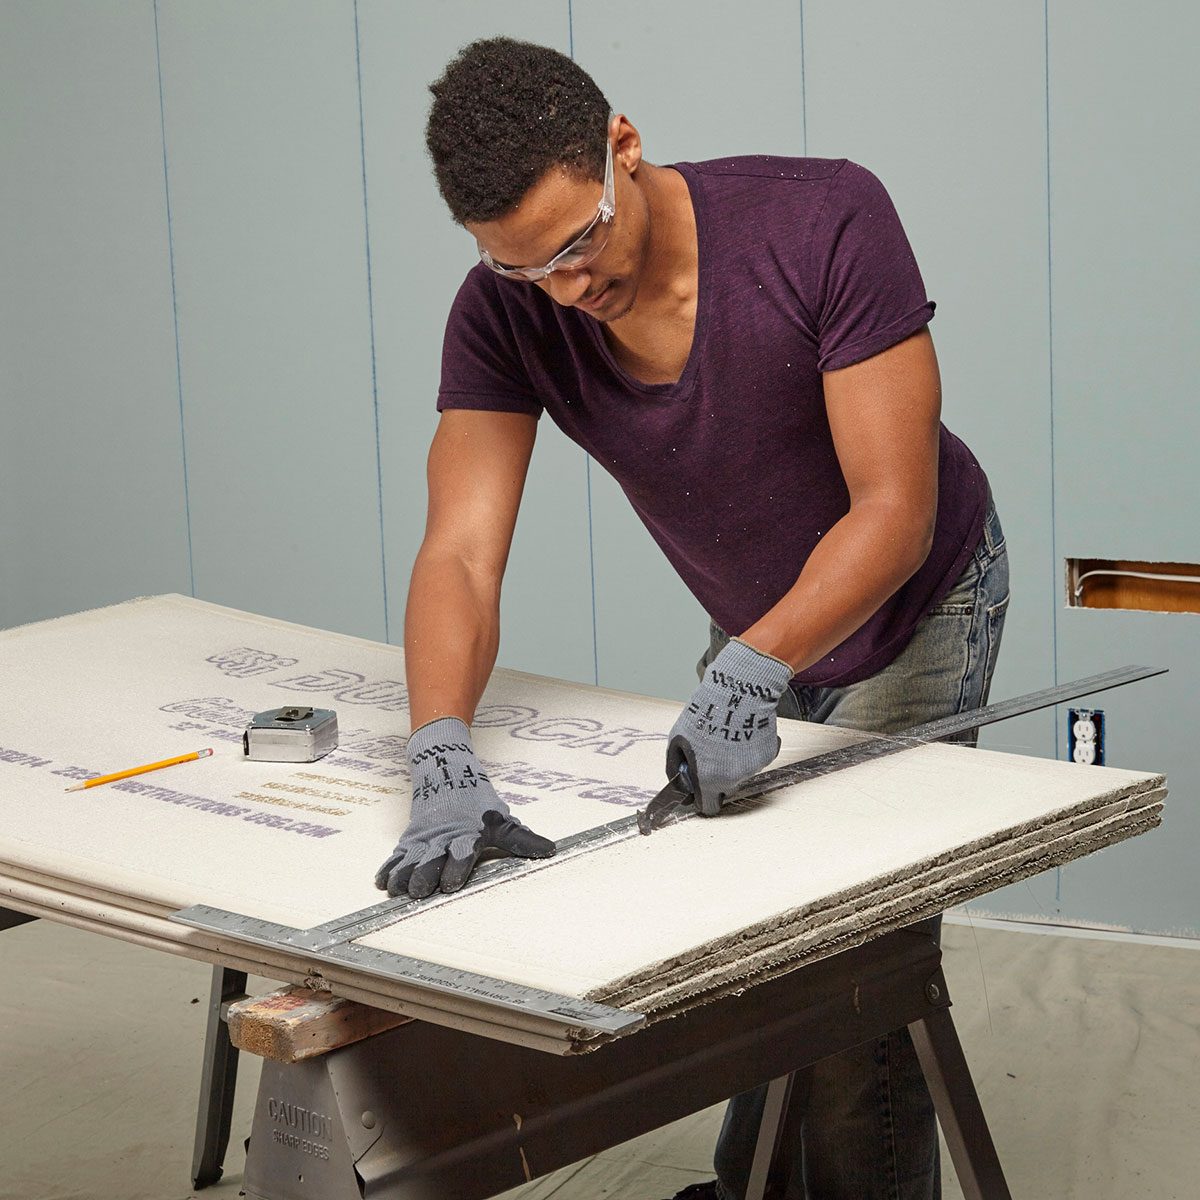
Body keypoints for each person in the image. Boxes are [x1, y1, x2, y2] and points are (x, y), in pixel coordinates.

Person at [374, 35, 1009, 1200]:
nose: (568, 289)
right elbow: (461, 554)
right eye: (527, 270)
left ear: (624, 146)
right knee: (752, 915)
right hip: (756, 617)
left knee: (854, 942)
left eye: (579, 242)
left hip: (916, 598)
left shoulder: (821, 219)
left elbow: (896, 510)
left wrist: (753, 668)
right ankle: (758, 1183)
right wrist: (440, 747)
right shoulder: (506, 313)